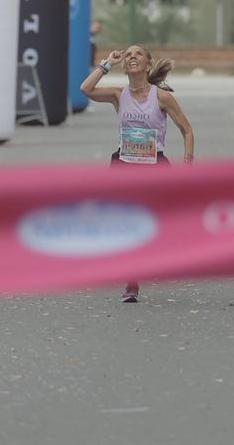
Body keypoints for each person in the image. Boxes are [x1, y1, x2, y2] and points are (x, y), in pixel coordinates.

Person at [80, 44, 195, 303]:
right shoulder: (119, 95)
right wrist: (106, 63)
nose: (132, 57)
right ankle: (132, 280)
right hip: (125, 165)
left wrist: (188, 162)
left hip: (155, 165)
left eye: (138, 54)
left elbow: (187, 130)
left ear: (147, 64)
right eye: (128, 54)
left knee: (159, 222)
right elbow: (85, 90)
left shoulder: (162, 97)